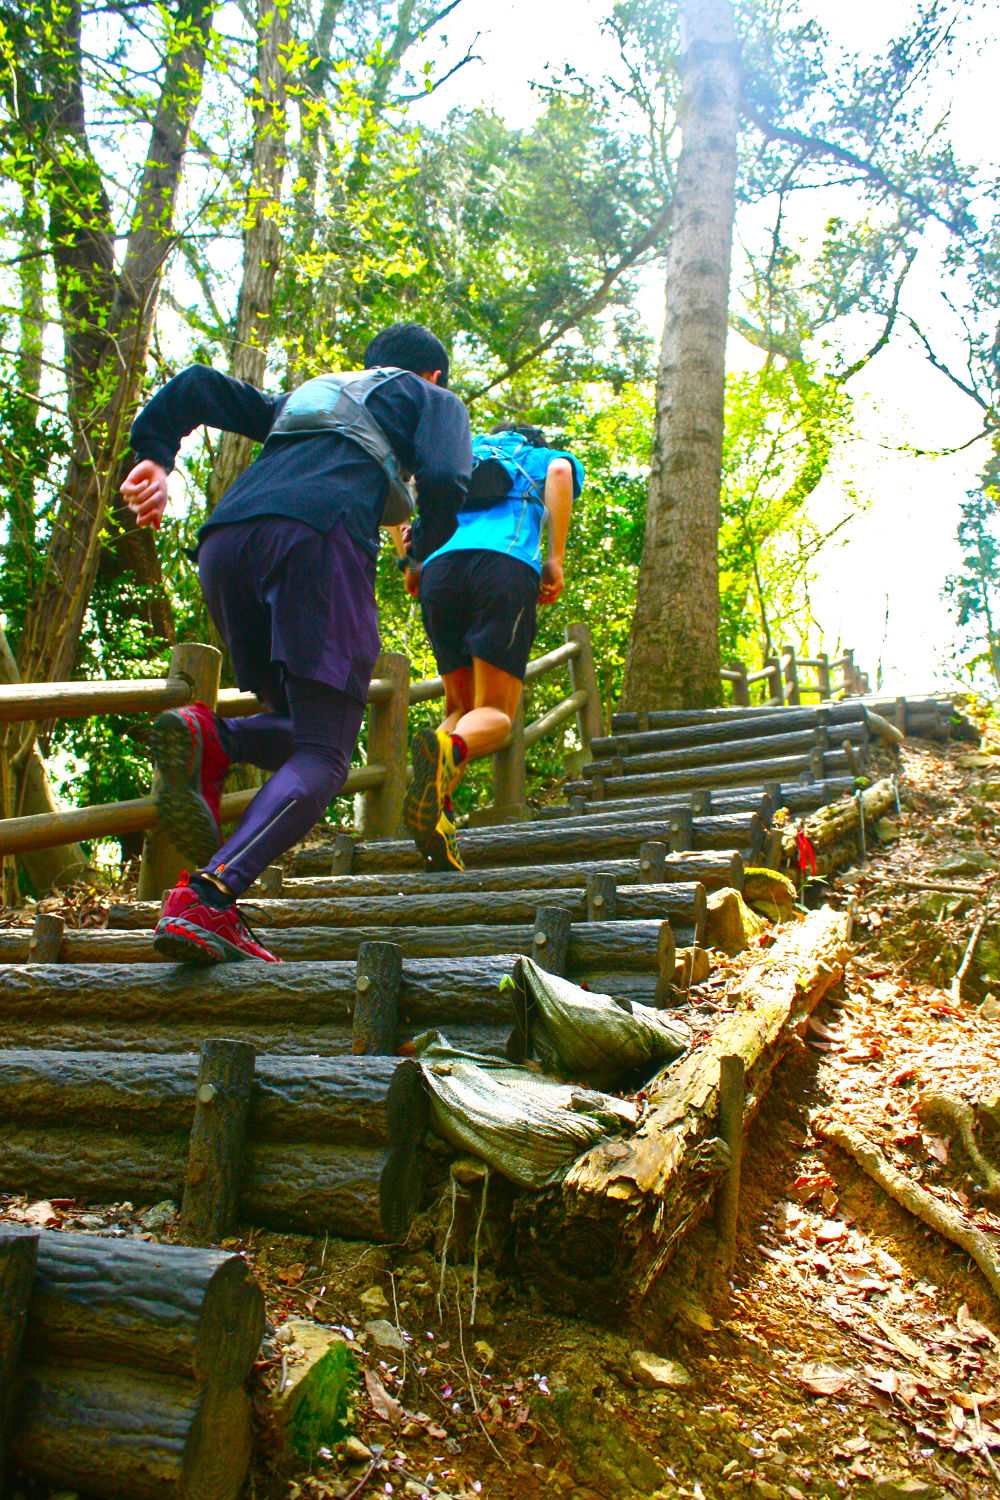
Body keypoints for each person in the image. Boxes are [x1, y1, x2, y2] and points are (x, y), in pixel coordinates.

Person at [121, 323, 471, 961]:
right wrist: (422, 548)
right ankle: (210, 898)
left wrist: (153, 455)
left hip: (226, 543)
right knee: (325, 755)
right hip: (316, 539)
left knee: (295, 721)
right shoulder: (431, 400)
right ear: (433, 376)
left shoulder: (313, 396)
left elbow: (198, 385)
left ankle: (214, 737)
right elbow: (446, 480)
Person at [400, 421, 583, 870]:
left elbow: (405, 488)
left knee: (459, 708)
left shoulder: (456, 457)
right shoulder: (538, 457)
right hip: (503, 566)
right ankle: (448, 752)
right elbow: (560, 475)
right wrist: (554, 559)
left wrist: (409, 562)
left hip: (439, 572)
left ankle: (437, 818)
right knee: (497, 714)